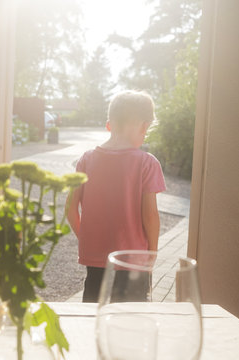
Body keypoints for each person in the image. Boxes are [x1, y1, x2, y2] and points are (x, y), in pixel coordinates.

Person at [66, 90, 166, 302]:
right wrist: (152, 254)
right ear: (144, 127)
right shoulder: (146, 163)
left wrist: (86, 238)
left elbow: (70, 209)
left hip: (96, 262)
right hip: (133, 263)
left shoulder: (86, 160)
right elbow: (150, 216)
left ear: (109, 125)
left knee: (94, 315)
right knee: (130, 320)